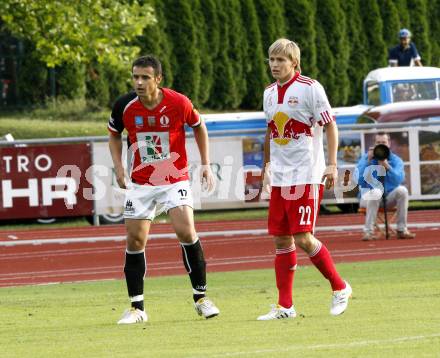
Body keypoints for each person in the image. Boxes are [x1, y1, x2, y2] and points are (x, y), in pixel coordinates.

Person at [108, 55, 219, 324]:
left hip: (174, 178)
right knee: (135, 240)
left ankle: (201, 299)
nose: (139, 82)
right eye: (135, 76)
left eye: (145, 77)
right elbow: (113, 133)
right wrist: (119, 168)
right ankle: (137, 309)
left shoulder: (179, 102)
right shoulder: (125, 106)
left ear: (158, 79)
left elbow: (199, 126)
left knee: (185, 230)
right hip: (141, 183)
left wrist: (205, 164)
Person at [258, 38, 352, 321]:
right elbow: (270, 132)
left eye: (280, 60)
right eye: (271, 60)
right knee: (281, 240)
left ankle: (340, 287)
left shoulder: (311, 88)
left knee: (302, 237)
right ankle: (285, 307)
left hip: (307, 174)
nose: (274, 65)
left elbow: (330, 125)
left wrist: (332, 165)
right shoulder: (269, 93)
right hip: (281, 177)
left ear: (293, 62)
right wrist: (265, 166)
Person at [356, 132, 416, 241]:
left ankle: (401, 230)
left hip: (388, 196)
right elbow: (359, 181)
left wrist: (387, 166)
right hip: (368, 196)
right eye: (378, 142)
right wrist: (368, 162)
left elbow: (398, 180)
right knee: (376, 193)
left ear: (389, 144)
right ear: (374, 144)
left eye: (383, 142)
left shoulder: (396, 160)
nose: (381, 144)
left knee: (403, 190)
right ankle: (368, 232)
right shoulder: (365, 159)